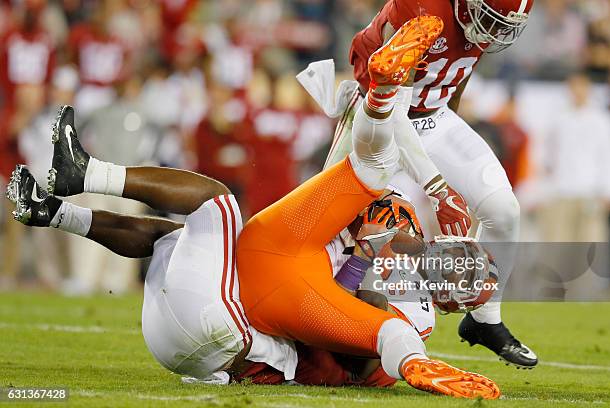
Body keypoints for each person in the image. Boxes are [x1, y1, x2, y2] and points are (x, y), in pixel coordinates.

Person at [7, 18, 500, 399]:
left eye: (457, 267)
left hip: (235, 335)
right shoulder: (402, 262)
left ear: (451, 293)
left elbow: (354, 337)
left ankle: (86, 173)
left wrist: (364, 261)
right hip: (196, 333)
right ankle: (50, 211)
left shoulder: (417, 314)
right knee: (170, 239)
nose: (447, 256)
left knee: (218, 206)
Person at [318, 0, 537, 368]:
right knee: (341, 228)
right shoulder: (421, 9)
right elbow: (390, 99)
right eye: (491, 19)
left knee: (503, 210)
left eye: (504, 24)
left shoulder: (477, 23)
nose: (495, 32)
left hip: (434, 115)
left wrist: (451, 123)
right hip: (378, 116)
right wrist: (438, 188)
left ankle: (485, 320)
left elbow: (460, 70)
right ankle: (313, 324)